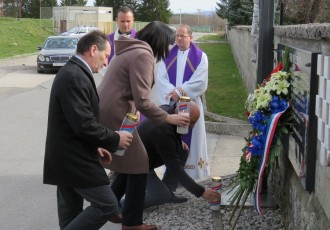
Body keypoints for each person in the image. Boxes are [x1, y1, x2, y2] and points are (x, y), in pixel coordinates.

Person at [98, 21, 190, 230]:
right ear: (159, 42)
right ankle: (130, 222)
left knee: (131, 164)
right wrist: (169, 118)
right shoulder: (143, 55)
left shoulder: (131, 49)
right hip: (116, 112)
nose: (168, 49)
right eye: (167, 44)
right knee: (139, 163)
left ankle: (111, 207)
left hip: (112, 109)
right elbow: (143, 100)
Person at [43, 30, 133, 230]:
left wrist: (96, 146)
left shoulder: (74, 72)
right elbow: (84, 124)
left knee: (70, 216)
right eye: (105, 55)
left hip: (67, 157)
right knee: (107, 204)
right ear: (93, 49)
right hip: (74, 159)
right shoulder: (74, 75)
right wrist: (114, 138)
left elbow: (74, 122)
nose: (106, 62)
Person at [155, 24, 210, 186]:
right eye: (177, 36)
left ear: (190, 37)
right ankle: (173, 176)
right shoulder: (167, 55)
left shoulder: (200, 57)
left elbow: (200, 81)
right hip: (173, 106)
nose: (178, 39)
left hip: (191, 105)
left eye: (182, 36)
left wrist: (180, 91)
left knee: (191, 140)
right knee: (173, 139)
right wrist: (172, 93)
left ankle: (192, 173)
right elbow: (161, 78)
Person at [137, 102, 220, 208]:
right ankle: (123, 206)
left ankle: (169, 191)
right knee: (161, 196)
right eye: (191, 122)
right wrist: (201, 192)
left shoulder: (169, 110)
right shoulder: (162, 131)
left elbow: (171, 133)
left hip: (148, 156)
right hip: (137, 165)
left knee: (182, 150)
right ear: (181, 115)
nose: (192, 126)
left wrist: (178, 141)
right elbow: (176, 169)